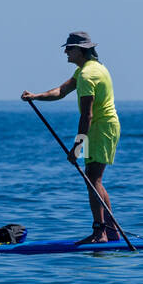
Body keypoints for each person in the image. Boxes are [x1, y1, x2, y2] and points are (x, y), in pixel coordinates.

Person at [20, 31, 121, 243]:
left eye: (70, 48)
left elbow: (87, 115)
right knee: (94, 180)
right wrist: (36, 97)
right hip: (101, 128)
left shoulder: (87, 75)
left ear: (81, 50)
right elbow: (61, 91)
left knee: (93, 180)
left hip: (100, 128)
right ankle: (110, 232)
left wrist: (76, 148)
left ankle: (100, 233)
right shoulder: (89, 69)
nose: (66, 51)